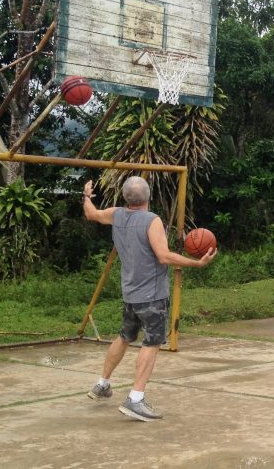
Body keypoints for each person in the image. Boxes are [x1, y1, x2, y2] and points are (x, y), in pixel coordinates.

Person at [83, 177, 217, 421]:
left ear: (125, 197)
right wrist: (196, 263)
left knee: (124, 337)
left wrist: (86, 195)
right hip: (152, 296)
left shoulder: (116, 214)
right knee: (152, 342)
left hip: (130, 293)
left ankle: (102, 384)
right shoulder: (151, 220)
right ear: (148, 196)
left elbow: (91, 214)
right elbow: (164, 256)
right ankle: (135, 399)